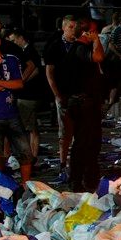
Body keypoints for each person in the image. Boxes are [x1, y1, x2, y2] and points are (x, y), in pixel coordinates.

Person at [53, 18, 104, 191]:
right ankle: (80, 179)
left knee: (88, 142)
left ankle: (86, 177)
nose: (97, 35)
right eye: (94, 32)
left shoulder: (78, 49)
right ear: (87, 32)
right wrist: (97, 41)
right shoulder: (80, 49)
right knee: (84, 142)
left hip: (84, 102)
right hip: (83, 103)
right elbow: (98, 57)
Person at [0, 27, 32, 183]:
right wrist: (5, 86)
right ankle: (3, 186)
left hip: (11, 113)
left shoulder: (11, 59)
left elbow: (19, 84)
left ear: (0, 41)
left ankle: (25, 186)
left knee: (25, 152)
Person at [6, 28, 48, 167]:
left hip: (29, 96)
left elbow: (35, 69)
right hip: (29, 95)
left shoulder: (29, 52)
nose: (12, 43)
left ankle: (30, 158)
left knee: (28, 128)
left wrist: (21, 81)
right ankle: (32, 157)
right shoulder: (27, 52)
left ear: (20, 38)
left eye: (13, 40)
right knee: (31, 127)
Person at [43, 15, 78, 183]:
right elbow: (49, 73)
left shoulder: (79, 45)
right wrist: (57, 94)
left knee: (79, 131)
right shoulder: (55, 47)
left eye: (75, 27)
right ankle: (63, 163)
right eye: (70, 27)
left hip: (78, 95)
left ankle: (77, 164)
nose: (73, 30)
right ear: (64, 28)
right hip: (63, 94)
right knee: (65, 133)